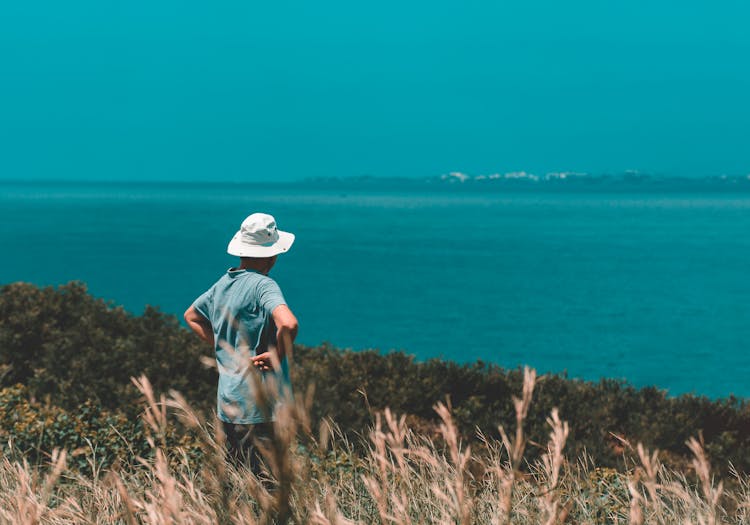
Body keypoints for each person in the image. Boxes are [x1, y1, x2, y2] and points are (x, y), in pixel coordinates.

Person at [184, 212, 299, 474]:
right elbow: (289, 324)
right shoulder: (263, 286)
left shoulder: (223, 284)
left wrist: (224, 348)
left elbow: (191, 316)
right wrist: (277, 354)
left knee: (239, 485)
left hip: (227, 402)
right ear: (273, 254)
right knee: (270, 484)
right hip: (261, 407)